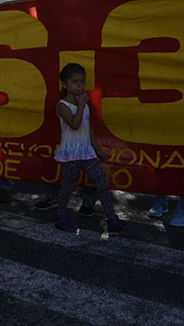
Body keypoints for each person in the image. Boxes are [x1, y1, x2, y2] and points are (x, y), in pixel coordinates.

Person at [53, 63, 129, 233]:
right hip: (71, 153)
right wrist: (81, 105)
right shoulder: (62, 105)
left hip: (86, 152)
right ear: (65, 84)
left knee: (102, 184)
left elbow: (88, 128)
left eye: (82, 81)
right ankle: (61, 218)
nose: (79, 85)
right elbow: (74, 124)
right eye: (75, 82)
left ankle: (112, 219)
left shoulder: (83, 103)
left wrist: (97, 150)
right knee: (68, 187)